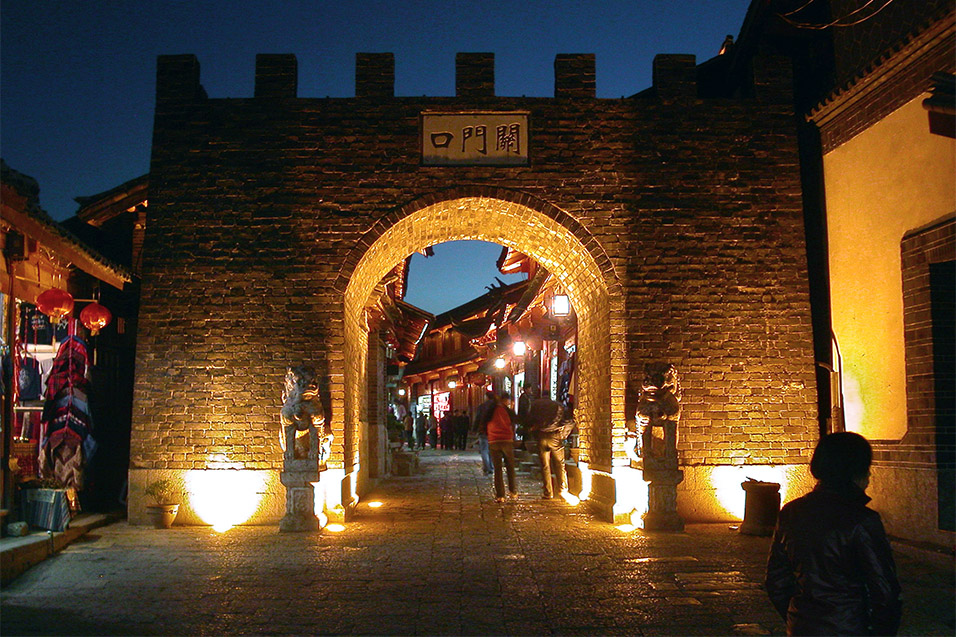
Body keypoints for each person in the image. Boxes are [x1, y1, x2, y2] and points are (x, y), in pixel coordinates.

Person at [765, 432, 902, 636]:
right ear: (855, 471)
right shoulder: (861, 520)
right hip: (849, 626)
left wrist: (799, 617)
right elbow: (884, 590)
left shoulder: (791, 513)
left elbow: (777, 581)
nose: (870, 476)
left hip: (802, 625)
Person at [525, 396, 569, 499]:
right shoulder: (558, 406)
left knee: (545, 465)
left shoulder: (535, 405)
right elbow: (569, 421)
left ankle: (548, 492)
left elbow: (529, 420)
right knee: (559, 464)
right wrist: (563, 434)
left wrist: (533, 430)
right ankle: (562, 490)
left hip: (541, 436)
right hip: (555, 436)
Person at [486, 391, 518, 502]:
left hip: (493, 440)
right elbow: (515, 419)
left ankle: (500, 495)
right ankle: (513, 491)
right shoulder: (507, 410)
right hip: (506, 440)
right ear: (506, 400)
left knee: (498, 469)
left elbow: (483, 421)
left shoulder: (490, 409)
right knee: (510, 466)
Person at [472, 391, 496, 475]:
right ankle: (492, 466)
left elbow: (478, 419)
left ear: (486, 397)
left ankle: (487, 467)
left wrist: (474, 429)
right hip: (494, 431)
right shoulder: (497, 406)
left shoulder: (482, 407)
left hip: (483, 431)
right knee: (492, 450)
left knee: (484, 449)